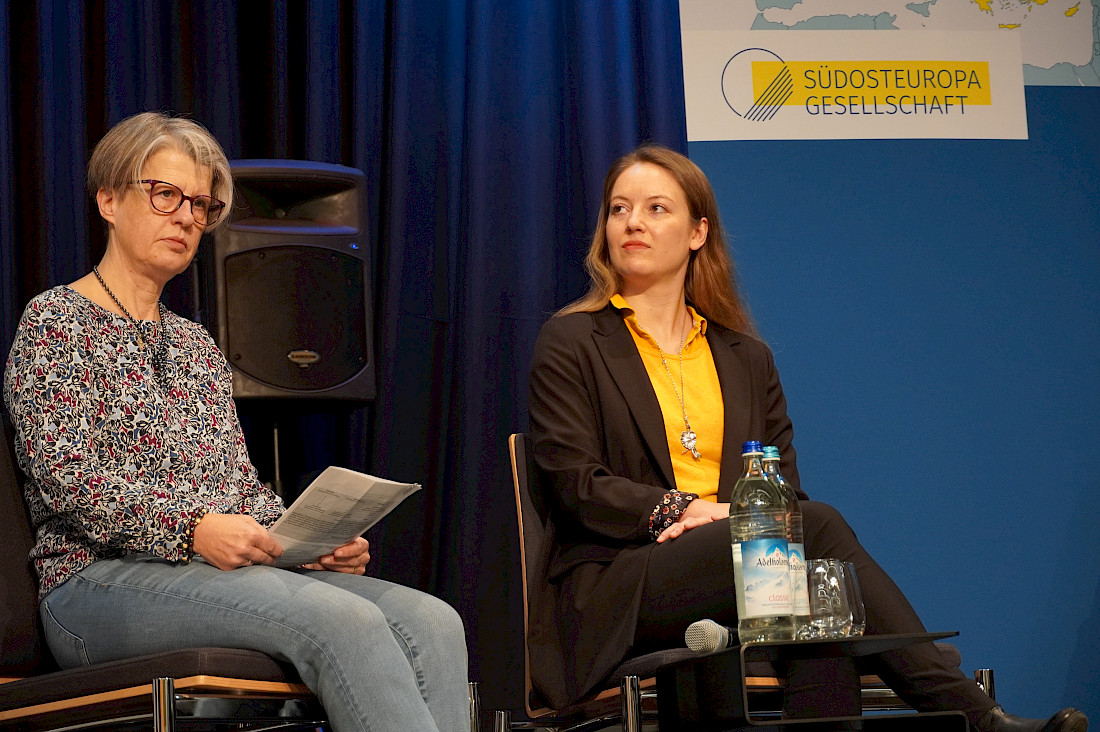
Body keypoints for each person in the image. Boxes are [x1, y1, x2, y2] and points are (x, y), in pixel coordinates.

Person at [526, 143, 1088, 732]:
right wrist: (687, 507)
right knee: (813, 534)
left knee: (819, 599)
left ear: (698, 232)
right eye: (619, 209)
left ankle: (970, 718)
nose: (633, 222)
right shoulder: (574, 342)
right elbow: (575, 483)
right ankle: (973, 715)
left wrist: (734, 521)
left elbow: (781, 488)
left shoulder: (746, 358)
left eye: (656, 208)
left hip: (748, 572)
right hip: (626, 582)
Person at [2, 111, 470, 732]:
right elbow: (73, 481)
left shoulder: (197, 346)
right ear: (109, 199)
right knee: (345, 623)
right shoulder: (56, 324)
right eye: (165, 194)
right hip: (93, 584)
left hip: (212, 576)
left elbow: (239, 489)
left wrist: (302, 544)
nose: (187, 217)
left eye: (200, 204)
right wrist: (192, 529)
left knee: (435, 622)